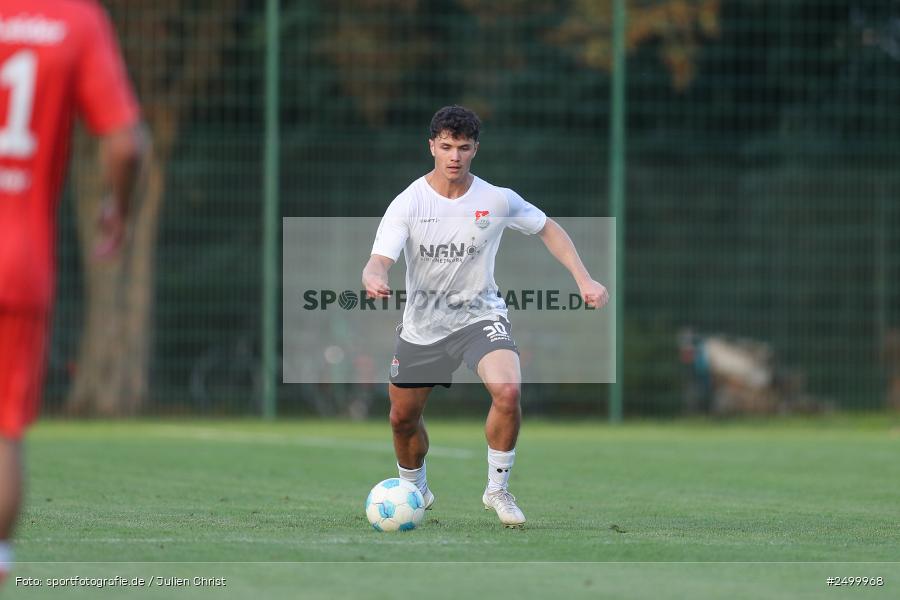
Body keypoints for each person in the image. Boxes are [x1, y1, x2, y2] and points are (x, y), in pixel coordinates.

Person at [362, 105, 608, 527]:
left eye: (463, 147)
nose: (454, 156)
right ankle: (415, 489)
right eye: (446, 147)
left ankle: (498, 489)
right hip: (424, 326)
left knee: (508, 391)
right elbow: (379, 259)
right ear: (432, 147)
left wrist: (584, 279)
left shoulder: (496, 199)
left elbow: (547, 227)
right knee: (402, 419)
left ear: (475, 149)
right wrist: (374, 275)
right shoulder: (409, 202)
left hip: (481, 318)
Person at [0, 0, 145, 582]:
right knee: (4, 430)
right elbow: (126, 144)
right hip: (16, 260)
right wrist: (118, 209)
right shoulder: (73, 21)